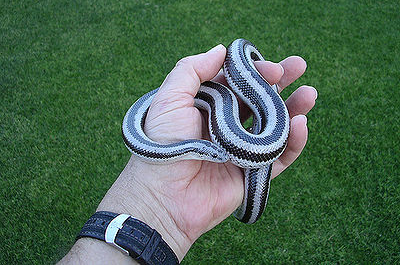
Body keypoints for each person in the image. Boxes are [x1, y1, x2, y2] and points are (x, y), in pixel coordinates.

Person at [58, 44, 317, 264]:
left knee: (266, 111)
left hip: (252, 135)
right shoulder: (177, 137)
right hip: (242, 134)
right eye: (216, 153)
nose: (222, 155)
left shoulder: (218, 116)